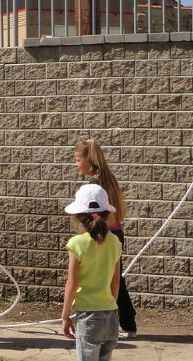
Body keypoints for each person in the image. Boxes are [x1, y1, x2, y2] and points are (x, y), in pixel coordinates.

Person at [74, 138, 138, 337]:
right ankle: (126, 321)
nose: (76, 164)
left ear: (89, 160)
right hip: (116, 232)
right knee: (114, 277)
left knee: (106, 277)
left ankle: (121, 322)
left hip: (104, 232)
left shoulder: (96, 185)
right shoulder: (108, 178)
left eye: (77, 160)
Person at [61, 183, 122, 361]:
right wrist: (110, 303)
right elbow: (116, 282)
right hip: (111, 314)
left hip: (88, 315)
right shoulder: (115, 242)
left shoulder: (76, 243)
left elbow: (72, 284)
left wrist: (65, 317)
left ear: (78, 216)